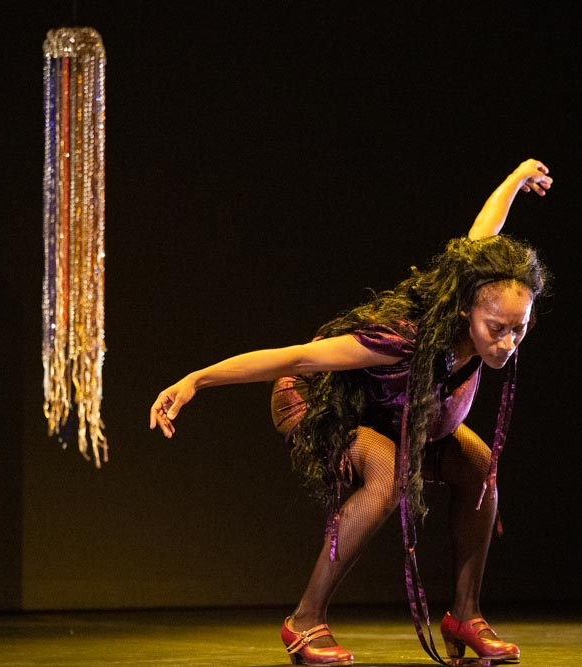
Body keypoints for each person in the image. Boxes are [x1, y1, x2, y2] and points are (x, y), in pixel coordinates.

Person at [150, 158, 553, 666]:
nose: (509, 342)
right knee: (389, 475)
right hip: (317, 399)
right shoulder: (403, 339)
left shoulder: (483, 294)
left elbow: (481, 236)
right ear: (466, 308)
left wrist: (514, 180)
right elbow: (296, 359)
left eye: (520, 328)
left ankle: (465, 616)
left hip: (393, 413)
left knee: (478, 467)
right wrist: (197, 379)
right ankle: (304, 620)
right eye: (497, 328)